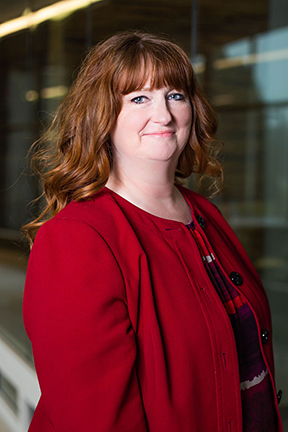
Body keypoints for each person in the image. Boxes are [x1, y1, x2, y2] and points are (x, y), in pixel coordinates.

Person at [22, 31, 283, 432]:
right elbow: (95, 420)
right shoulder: (78, 238)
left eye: (174, 95)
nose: (163, 114)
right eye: (139, 98)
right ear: (102, 115)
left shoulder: (205, 215)